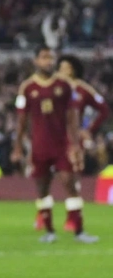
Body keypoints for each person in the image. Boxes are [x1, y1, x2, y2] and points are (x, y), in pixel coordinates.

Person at [11, 47, 94, 244]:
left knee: (69, 183)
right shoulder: (27, 88)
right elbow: (21, 120)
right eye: (44, 57)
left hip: (61, 145)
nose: (49, 61)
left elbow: (72, 116)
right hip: (39, 146)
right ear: (36, 61)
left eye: (51, 57)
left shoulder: (64, 85)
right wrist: (17, 147)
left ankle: (79, 230)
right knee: (42, 188)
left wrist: (74, 144)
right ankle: (49, 230)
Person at [56, 53, 109, 236]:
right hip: (53, 136)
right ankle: (43, 213)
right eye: (60, 68)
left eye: (66, 68)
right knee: (48, 174)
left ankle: (74, 216)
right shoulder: (54, 87)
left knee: (70, 177)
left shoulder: (83, 89)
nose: (62, 71)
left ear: (74, 70)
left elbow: (103, 110)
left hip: (73, 139)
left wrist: (89, 130)